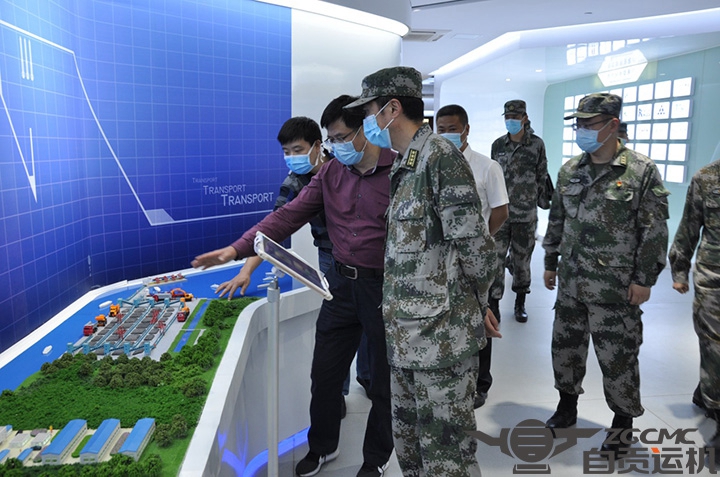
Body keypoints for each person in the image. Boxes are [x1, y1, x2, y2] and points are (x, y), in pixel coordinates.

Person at [192, 95, 395, 477]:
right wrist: (237, 249)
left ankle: (376, 457)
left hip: (384, 290)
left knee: (385, 382)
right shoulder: (330, 175)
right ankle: (322, 447)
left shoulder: (399, 172)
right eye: (332, 139)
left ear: (365, 131)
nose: (336, 146)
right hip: (339, 286)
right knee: (325, 374)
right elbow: (286, 217)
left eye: (341, 137)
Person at [347, 66, 501, 477]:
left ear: (392, 109)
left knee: (447, 458)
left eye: (370, 112)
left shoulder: (440, 158)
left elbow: (476, 248)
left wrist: (476, 305)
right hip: (406, 338)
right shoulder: (406, 163)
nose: (367, 122)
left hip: (441, 343)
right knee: (411, 450)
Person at [542, 93, 670, 459]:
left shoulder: (640, 171)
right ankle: (567, 406)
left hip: (615, 287)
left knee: (618, 357)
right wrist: (550, 260)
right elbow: (557, 219)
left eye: (589, 123)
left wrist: (644, 279)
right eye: (578, 124)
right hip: (572, 281)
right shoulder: (570, 170)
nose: (581, 130)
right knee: (565, 348)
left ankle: (622, 424)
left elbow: (654, 230)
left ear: (613, 124)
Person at [436, 104, 508, 409]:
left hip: (478, 262)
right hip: (442, 261)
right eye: (441, 130)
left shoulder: (487, 167)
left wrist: (480, 242)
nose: (446, 135)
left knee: (482, 318)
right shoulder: (433, 165)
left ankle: (480, 383)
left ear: (466, 129)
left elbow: (500, 211)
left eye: (452, 129)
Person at [668, 158, 720, 463]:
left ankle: (707, 390)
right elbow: (689, 226)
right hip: (714, 278)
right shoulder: (707, 178)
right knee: (714, 344)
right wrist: (679, 270)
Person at [490, 100, 551, 322]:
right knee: (495, 260)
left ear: (524, 118)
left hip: (525, 215)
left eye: (515, 117)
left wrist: (540, 202)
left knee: (522, 262)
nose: (511, 121)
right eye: (508, 117)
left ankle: (520, 302)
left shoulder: (537, 145)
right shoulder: (498, 145)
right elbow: (492, 177)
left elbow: (542, 175)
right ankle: (493, 303)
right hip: (501, 214)